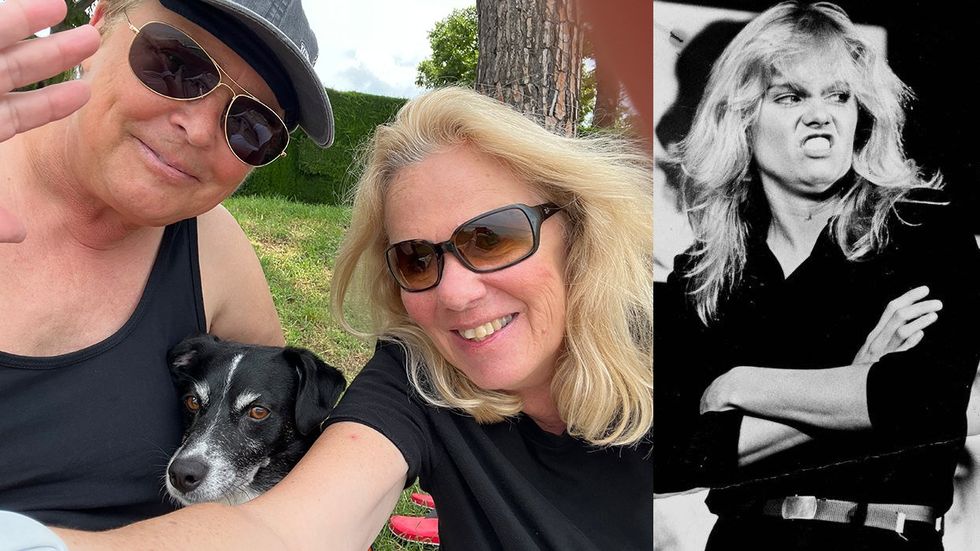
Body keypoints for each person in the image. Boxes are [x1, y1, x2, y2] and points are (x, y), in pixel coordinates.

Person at [49, 86, 653, 549]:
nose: (458, 294)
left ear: (577, 228)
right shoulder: (423, 373)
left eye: (492, 238)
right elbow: (290, 531)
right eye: (416, 259)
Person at [654, 2, 980, 550]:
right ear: (743, 117)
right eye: (790, 96)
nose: (821, 115)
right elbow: (668, 455)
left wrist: (739, 385)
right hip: (745, 539)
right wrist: (856, 378)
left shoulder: (925, 228)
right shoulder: (703, 273)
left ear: (861, 114)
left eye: (839, 95)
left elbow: (921, 402)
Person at [0, 0, 332, 533]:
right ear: (100, 22)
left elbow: (303, 444)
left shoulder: (213, 249)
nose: (200, 129)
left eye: (251, 124)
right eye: (175, 63)